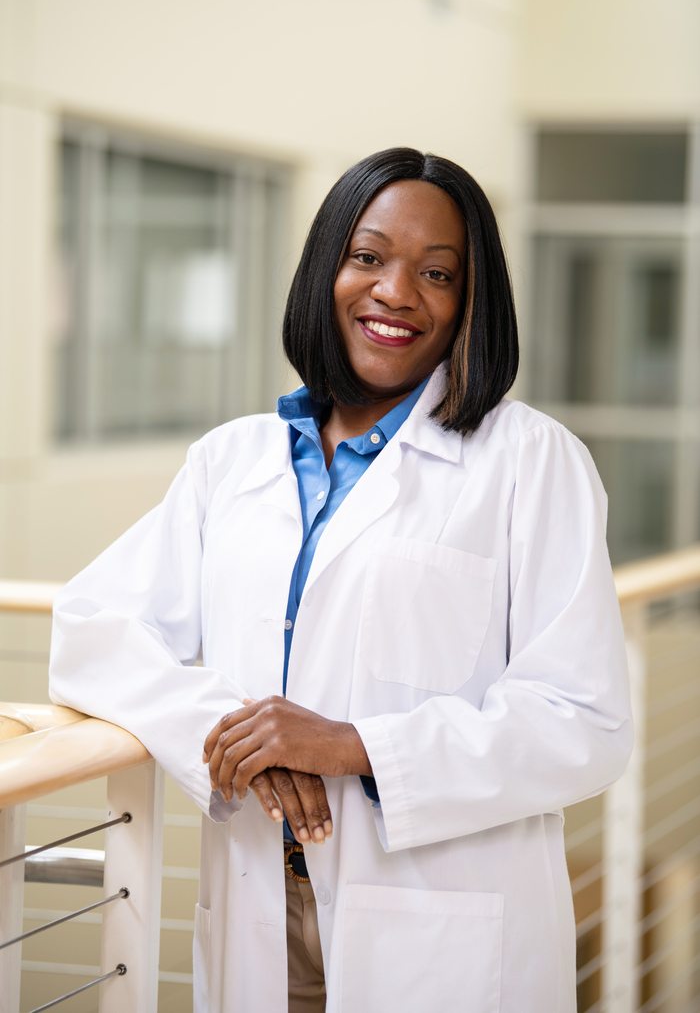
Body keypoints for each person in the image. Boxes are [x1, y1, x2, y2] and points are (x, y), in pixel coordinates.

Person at [49, 147, 632, 1013]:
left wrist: (352, 745)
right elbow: (91, 631)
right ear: (327, 267)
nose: (397, 292)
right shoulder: (231, 460)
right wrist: (236, 734)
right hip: (259, 901)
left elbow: (583, 722)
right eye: (368, 258)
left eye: (437, 272)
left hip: (436, 926)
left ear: (472, 300)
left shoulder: (530, 461)